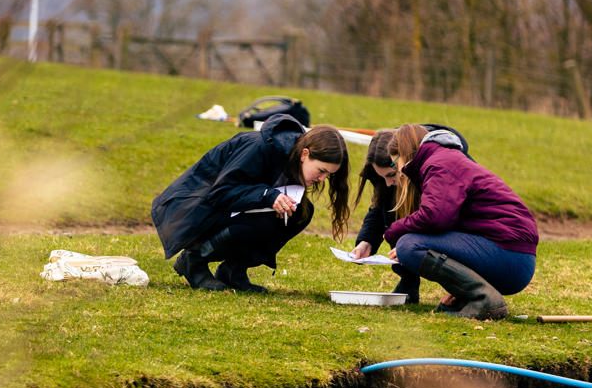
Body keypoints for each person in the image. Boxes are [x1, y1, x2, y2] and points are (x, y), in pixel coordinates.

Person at [152, 114, 350, 293]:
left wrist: (272, 199)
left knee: (299, 213)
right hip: (190, 211)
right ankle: (194, 260)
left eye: (328, 175)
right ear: (305, 154)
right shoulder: (259, 147)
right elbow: (221, 192)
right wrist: (268, 196)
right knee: (266, 219)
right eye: (321, 171)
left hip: (223, 210)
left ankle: (233, 271)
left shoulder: (291, 157)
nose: (323, 179)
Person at [380, 123, 538, 320]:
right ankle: (469, 297)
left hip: (511, 256)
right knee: (410, 243)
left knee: (409, 246)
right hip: (512, 254)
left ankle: (484, 299)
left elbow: (435, 217)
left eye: (395, 164)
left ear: (403, 153)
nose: (400, 171)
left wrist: (394, 230)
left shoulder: (439, 164)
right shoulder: (445, 159)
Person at [350, 124, 470, 302]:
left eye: (392, 175)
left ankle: (466, 287)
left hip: (472, 235)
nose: (389, 183)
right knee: (394, 214)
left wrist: (414, 243)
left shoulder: (442, 165)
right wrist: (366, 241)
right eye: (383, 178)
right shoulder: (390, 178)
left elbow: (446, 216)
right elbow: (380, 207)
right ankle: (408, 281)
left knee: (405, 231)